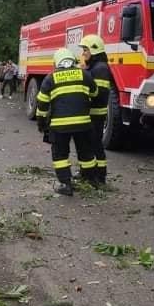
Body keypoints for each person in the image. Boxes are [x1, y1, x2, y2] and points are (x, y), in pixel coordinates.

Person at [36, 48, 97, 196]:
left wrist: (41, 123)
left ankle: (66, 184)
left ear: (57, 62)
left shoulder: (51, 78)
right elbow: (94, 93)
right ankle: (89, 181)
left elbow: (42, 104)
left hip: (59, 126)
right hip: (83, 124)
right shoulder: (84, 74)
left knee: (60, 155)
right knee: (86, 153)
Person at [78, 35, 111, 185]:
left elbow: (99, 93)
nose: (83, 53)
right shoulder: (94, 67)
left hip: (96, 115)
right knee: (87, 146)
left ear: (94, 50)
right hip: (90, 114)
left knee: (95, 146)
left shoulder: (101, 68)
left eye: (85, 50)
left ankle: (99, 177)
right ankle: (87, 174)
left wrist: (85, 74)